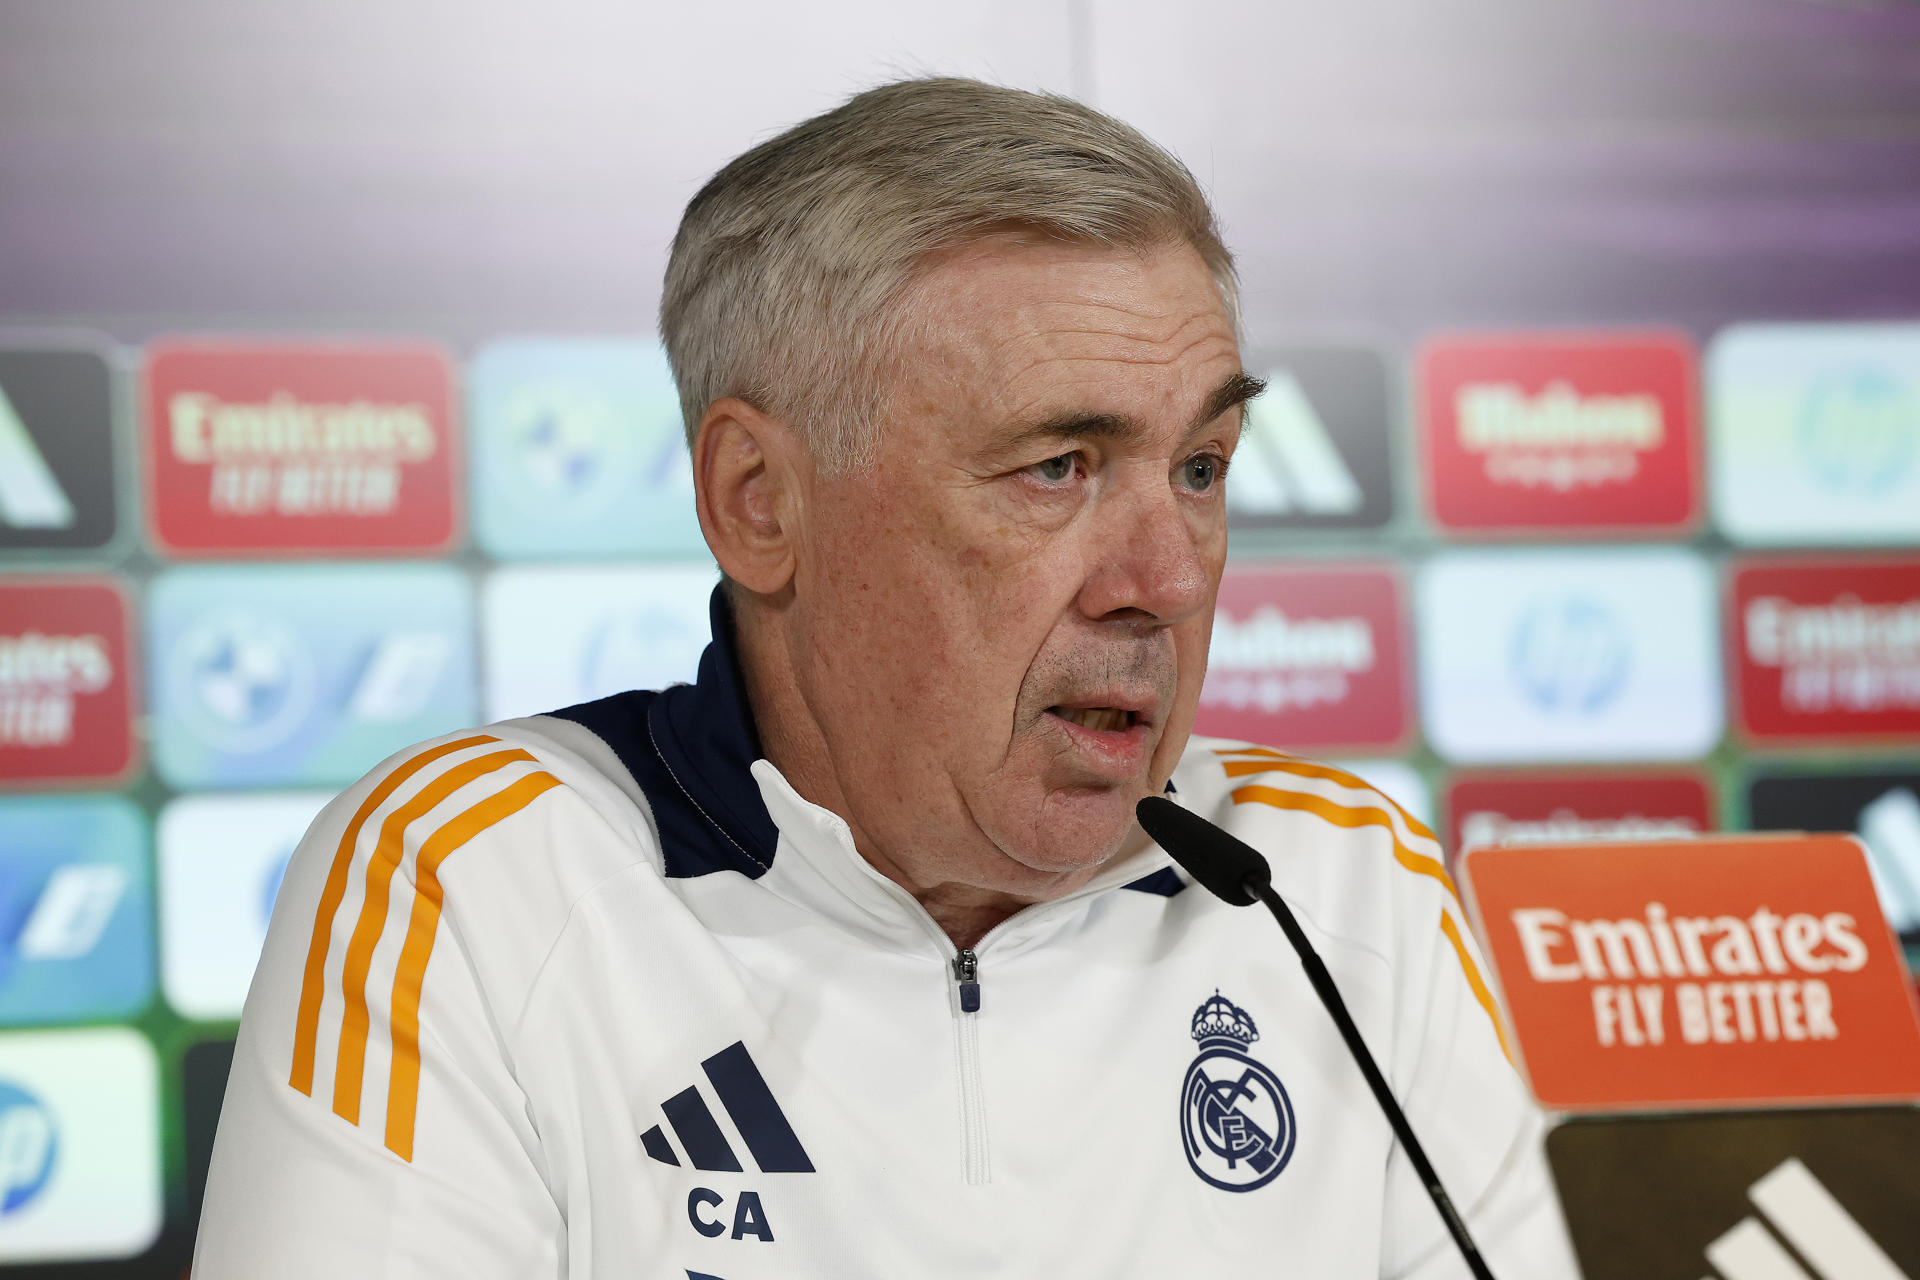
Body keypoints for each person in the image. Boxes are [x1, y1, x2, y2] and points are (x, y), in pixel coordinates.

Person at [194, 77, 1578, 1277]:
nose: (1165, 579)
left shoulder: (1335, 883)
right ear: (760, 504)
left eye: (1201, 469)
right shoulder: (479, 885)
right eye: (1058, 468)